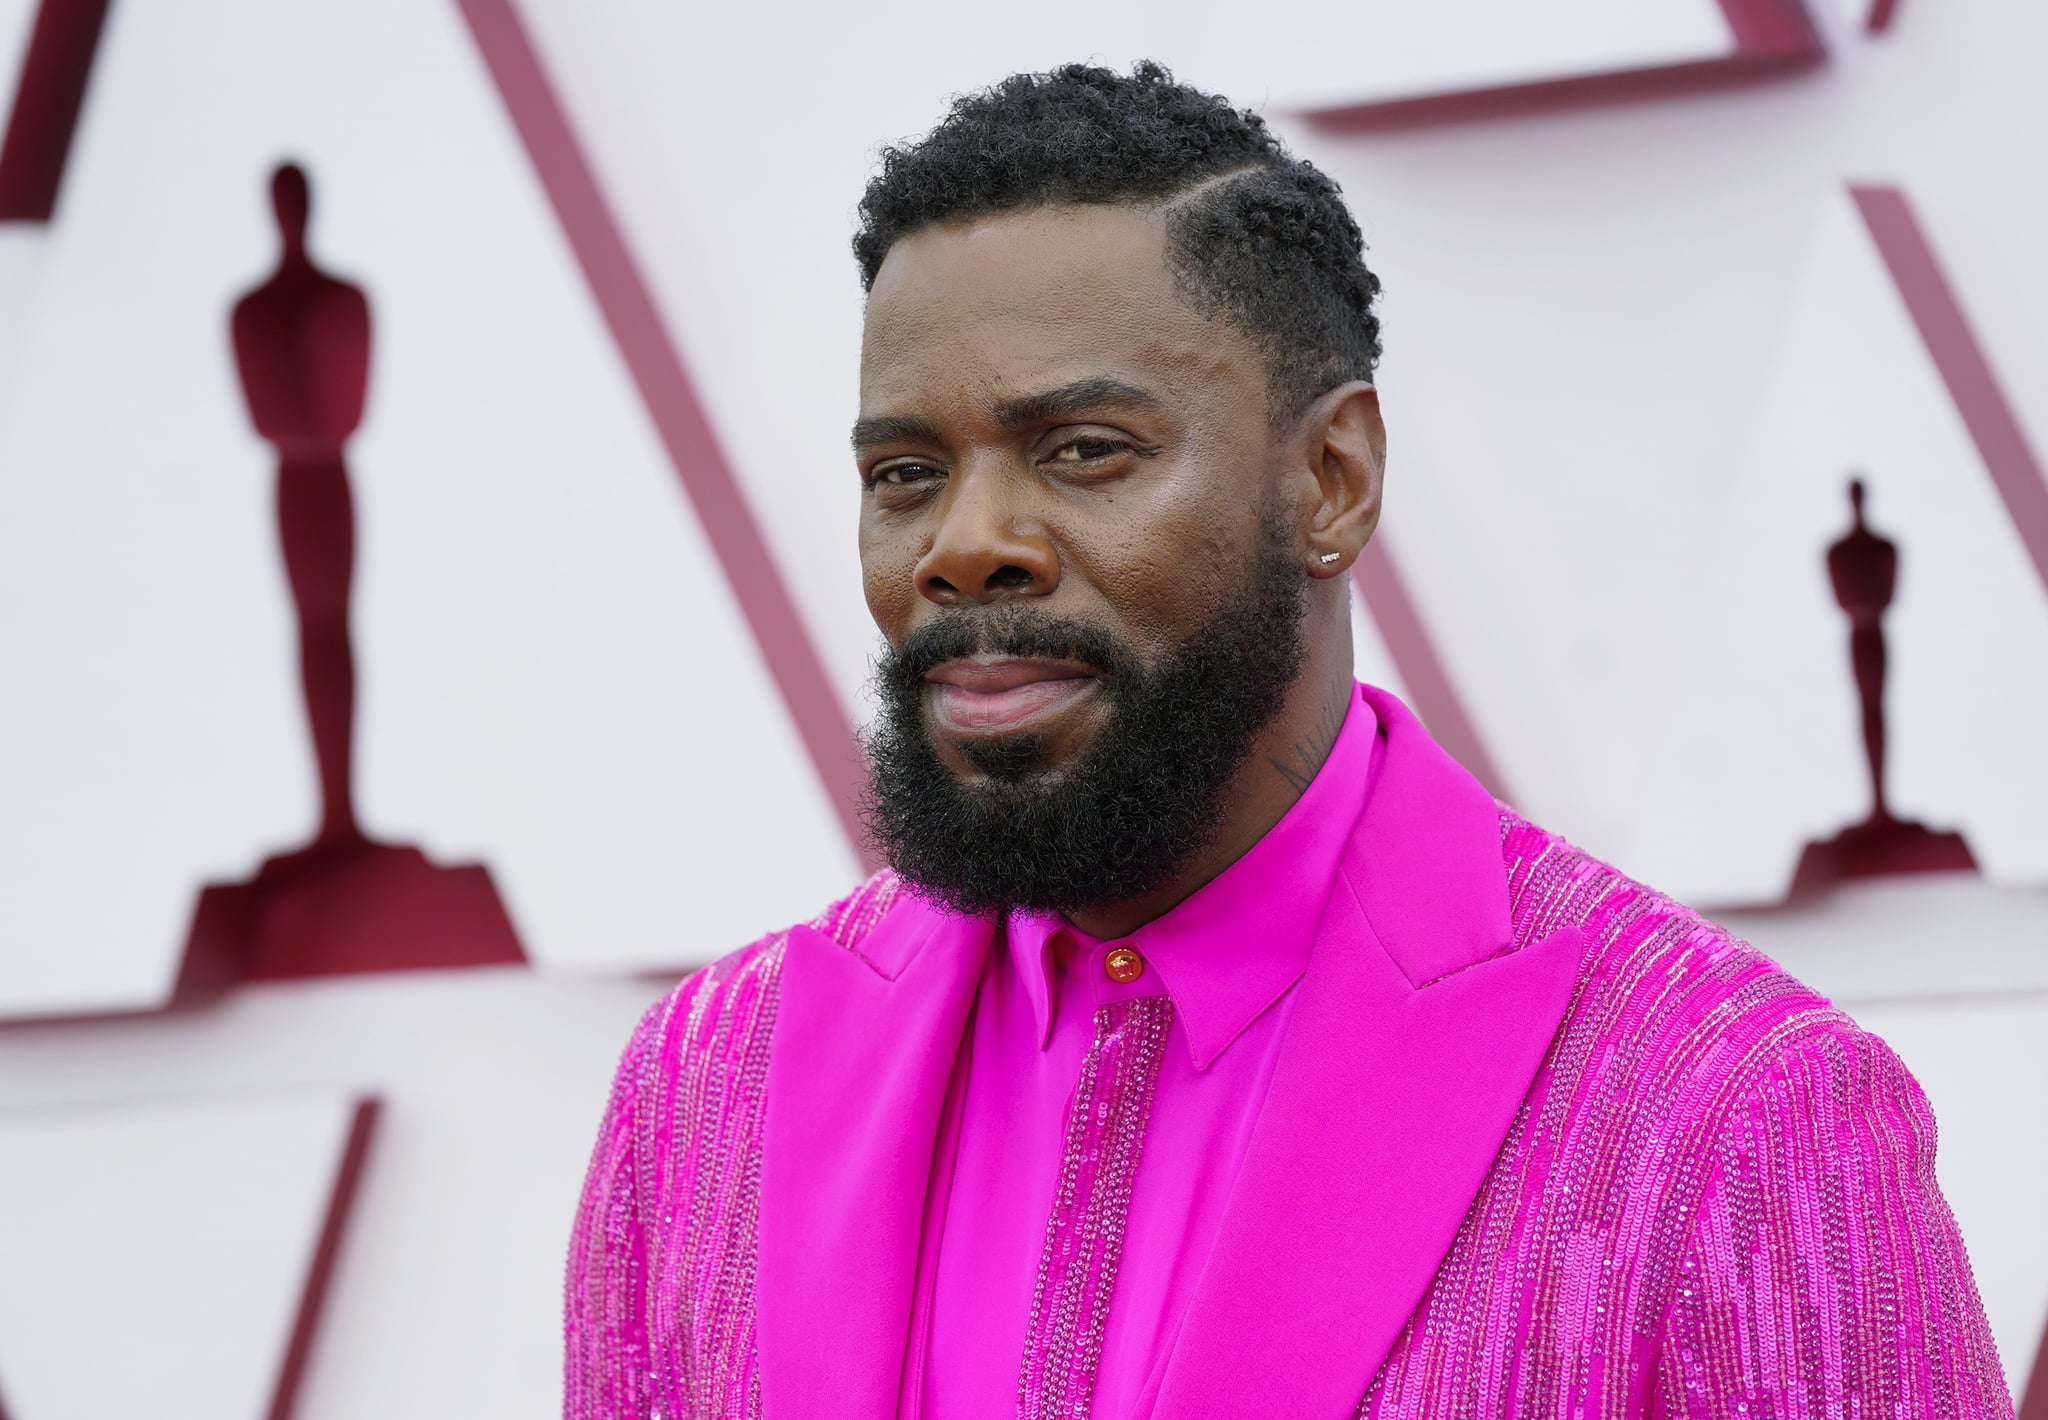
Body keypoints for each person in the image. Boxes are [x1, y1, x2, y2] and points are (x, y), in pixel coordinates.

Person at [564, 64, 2009, 1419]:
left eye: (1082, 451)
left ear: (1330, 479)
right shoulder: (703, 1098)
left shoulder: (1728, 1117)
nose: (965, 545)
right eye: (905, 474)